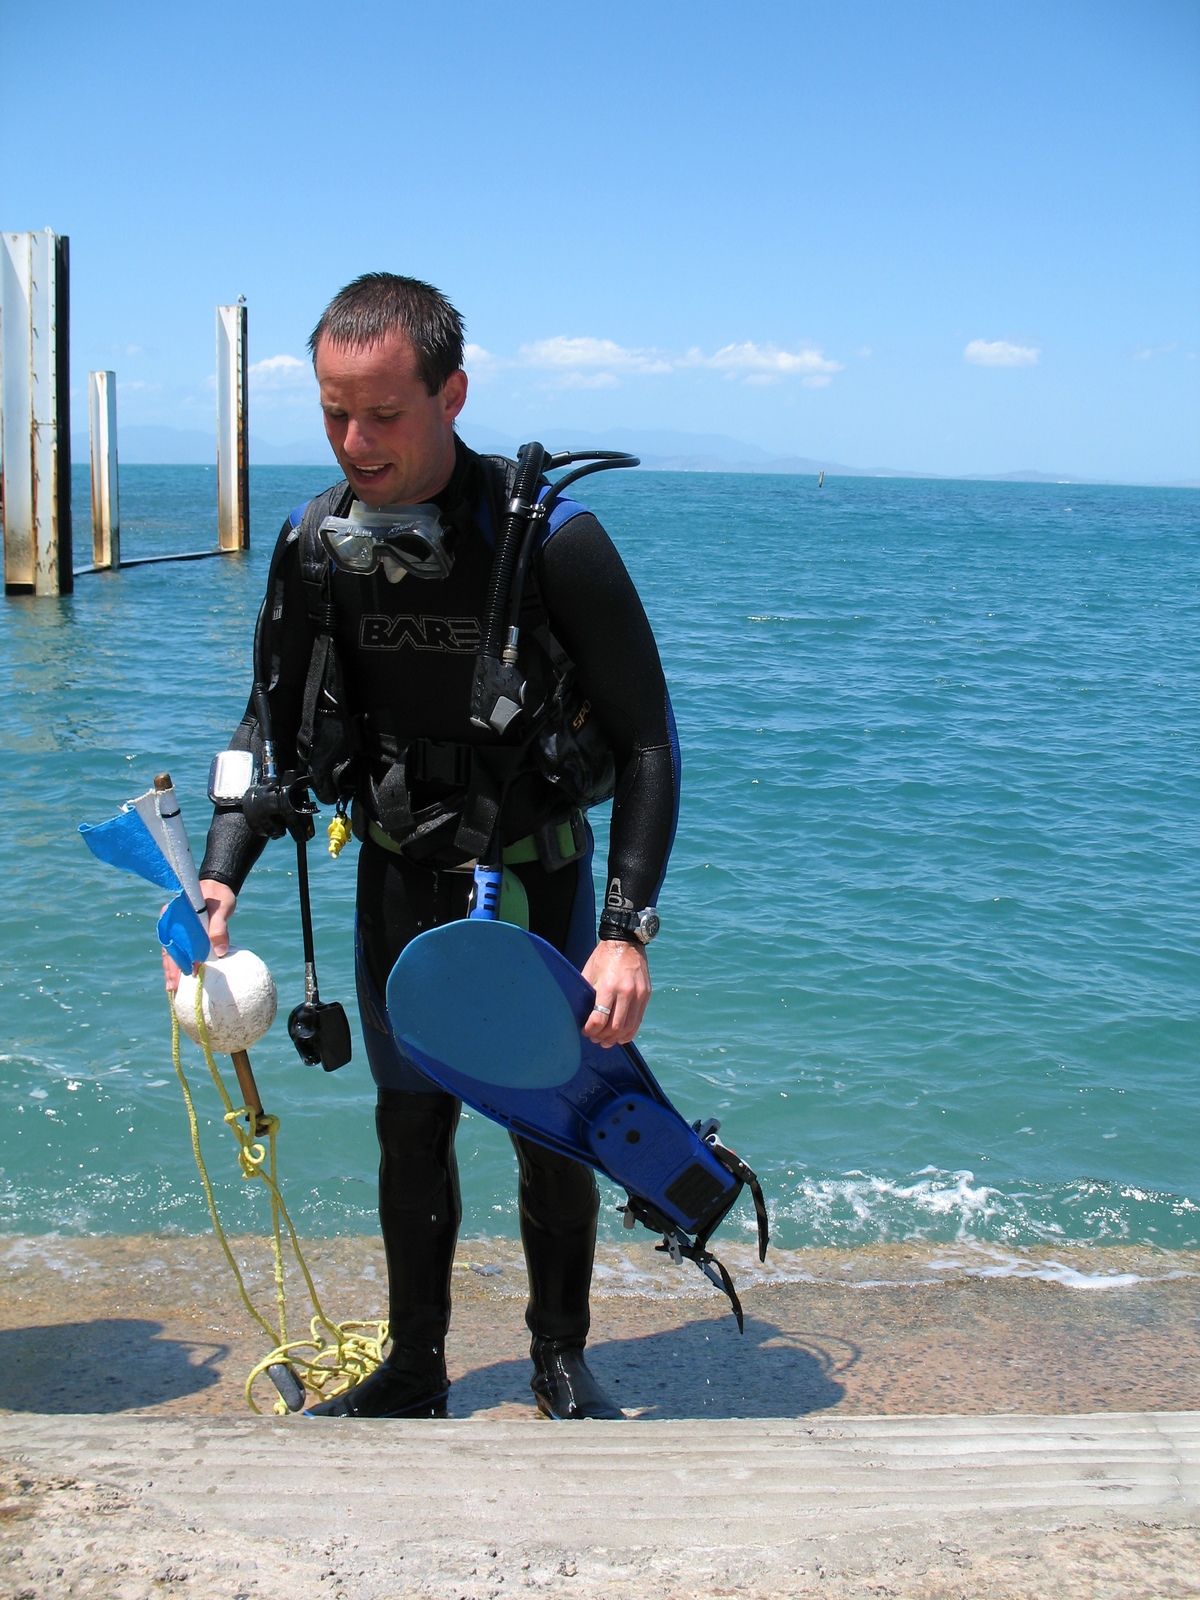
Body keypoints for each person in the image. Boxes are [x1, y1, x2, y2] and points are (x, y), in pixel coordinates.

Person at [172, 273, 679, 1421]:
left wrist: (624, 931)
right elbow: (268, 727)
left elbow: (650, 742)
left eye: (385, 414)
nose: (358, 442)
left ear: (452, 394)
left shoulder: (551, 541)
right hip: (402, 871)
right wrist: (217, 873)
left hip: (539, 873)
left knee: (556, 1129)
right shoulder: (315, 546)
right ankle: (414, 1367)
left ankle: (561, 1356)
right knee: (410, 1126)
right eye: (334, 414)